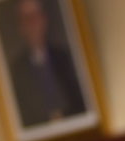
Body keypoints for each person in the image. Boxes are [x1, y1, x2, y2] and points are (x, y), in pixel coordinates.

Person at [5, 0, 86, 128]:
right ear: (20, 26)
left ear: (44, 19)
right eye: (26, 18)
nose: (32, 23)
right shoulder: (17, 71)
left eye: (35, 15)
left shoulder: (65, 58)